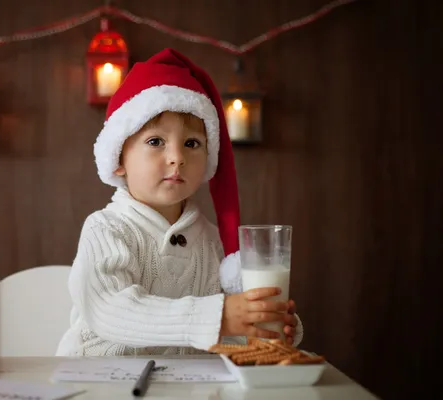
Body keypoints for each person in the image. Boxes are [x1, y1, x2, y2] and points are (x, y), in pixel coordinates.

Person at [56, 48, 303, 356]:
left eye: (192, 143)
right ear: (118, 157)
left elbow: (227, 337)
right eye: (155, 141)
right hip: (98, 382)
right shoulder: (106, 229)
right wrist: (220, 316)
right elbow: (110, 309)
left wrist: (263, 323)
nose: (177, 158)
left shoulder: (215, 245)